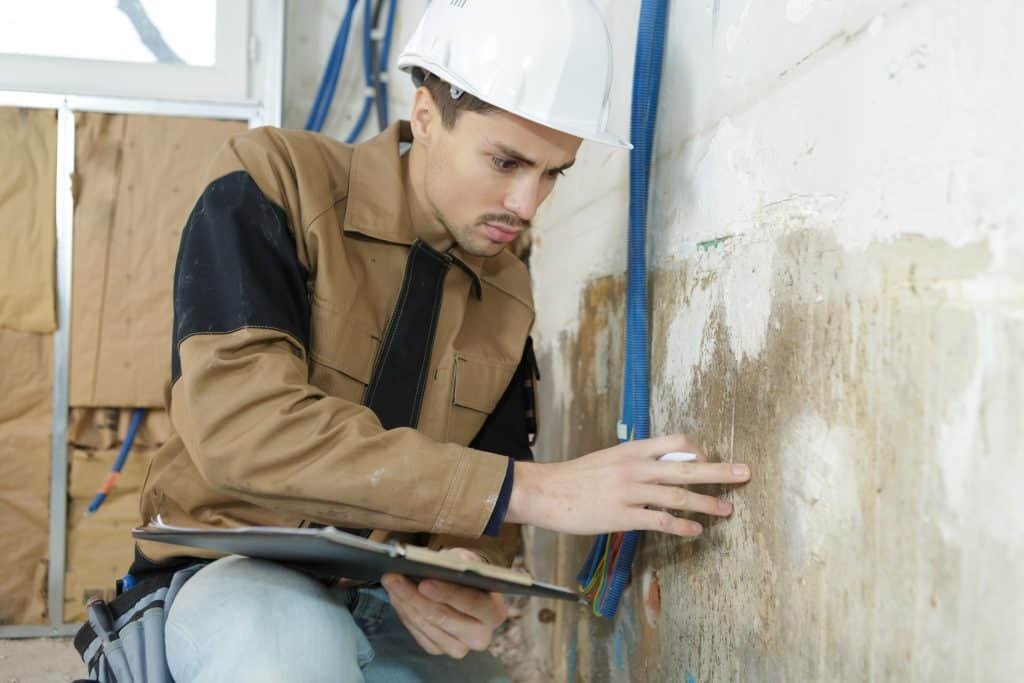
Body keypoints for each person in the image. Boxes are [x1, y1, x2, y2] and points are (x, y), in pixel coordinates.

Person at [124, 2, 752, 681]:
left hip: (385, 595)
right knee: (286, 649)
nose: (527, 203)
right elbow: (241, 429)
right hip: (233, 576)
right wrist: (536, 490)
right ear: (425, 117)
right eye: (506, 160)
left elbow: (487, 501)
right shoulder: (273, 182)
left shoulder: (509, 293)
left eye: (553, 173)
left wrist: (467, 580)